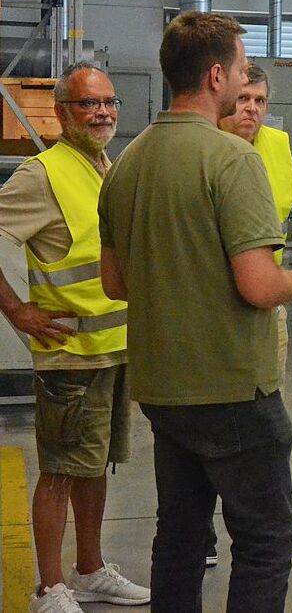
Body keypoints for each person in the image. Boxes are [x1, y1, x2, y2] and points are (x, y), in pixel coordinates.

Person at [97, 11, 292, 613]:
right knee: (267, 540)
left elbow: (114, 283)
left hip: (162, 391)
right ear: (217, 76)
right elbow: (256, 284)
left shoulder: (125, 167)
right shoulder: (232, 160)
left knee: (180, 538)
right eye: (243, 72)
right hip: (232, 390)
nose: (247, 87)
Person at [0, 63, 150, 613]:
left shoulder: (104, 166)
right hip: (69, 355)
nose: (103, 112)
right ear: (62, 112)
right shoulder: (42, 174)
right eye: (89, 104)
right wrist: (18, 311)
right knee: (61, 471)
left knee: (95, 466)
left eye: (108, 102)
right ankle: (50, 586)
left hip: (111, 351)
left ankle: (89, 570)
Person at [211, 62, 292, 566]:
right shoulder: (207, 148)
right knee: (206, 422)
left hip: (269, 301)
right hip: (211, 306)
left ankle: (277, 524)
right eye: (243, 99)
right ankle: (202, 533)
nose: (251, 109)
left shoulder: (278, 148)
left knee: (269, 420)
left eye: (260, 101)